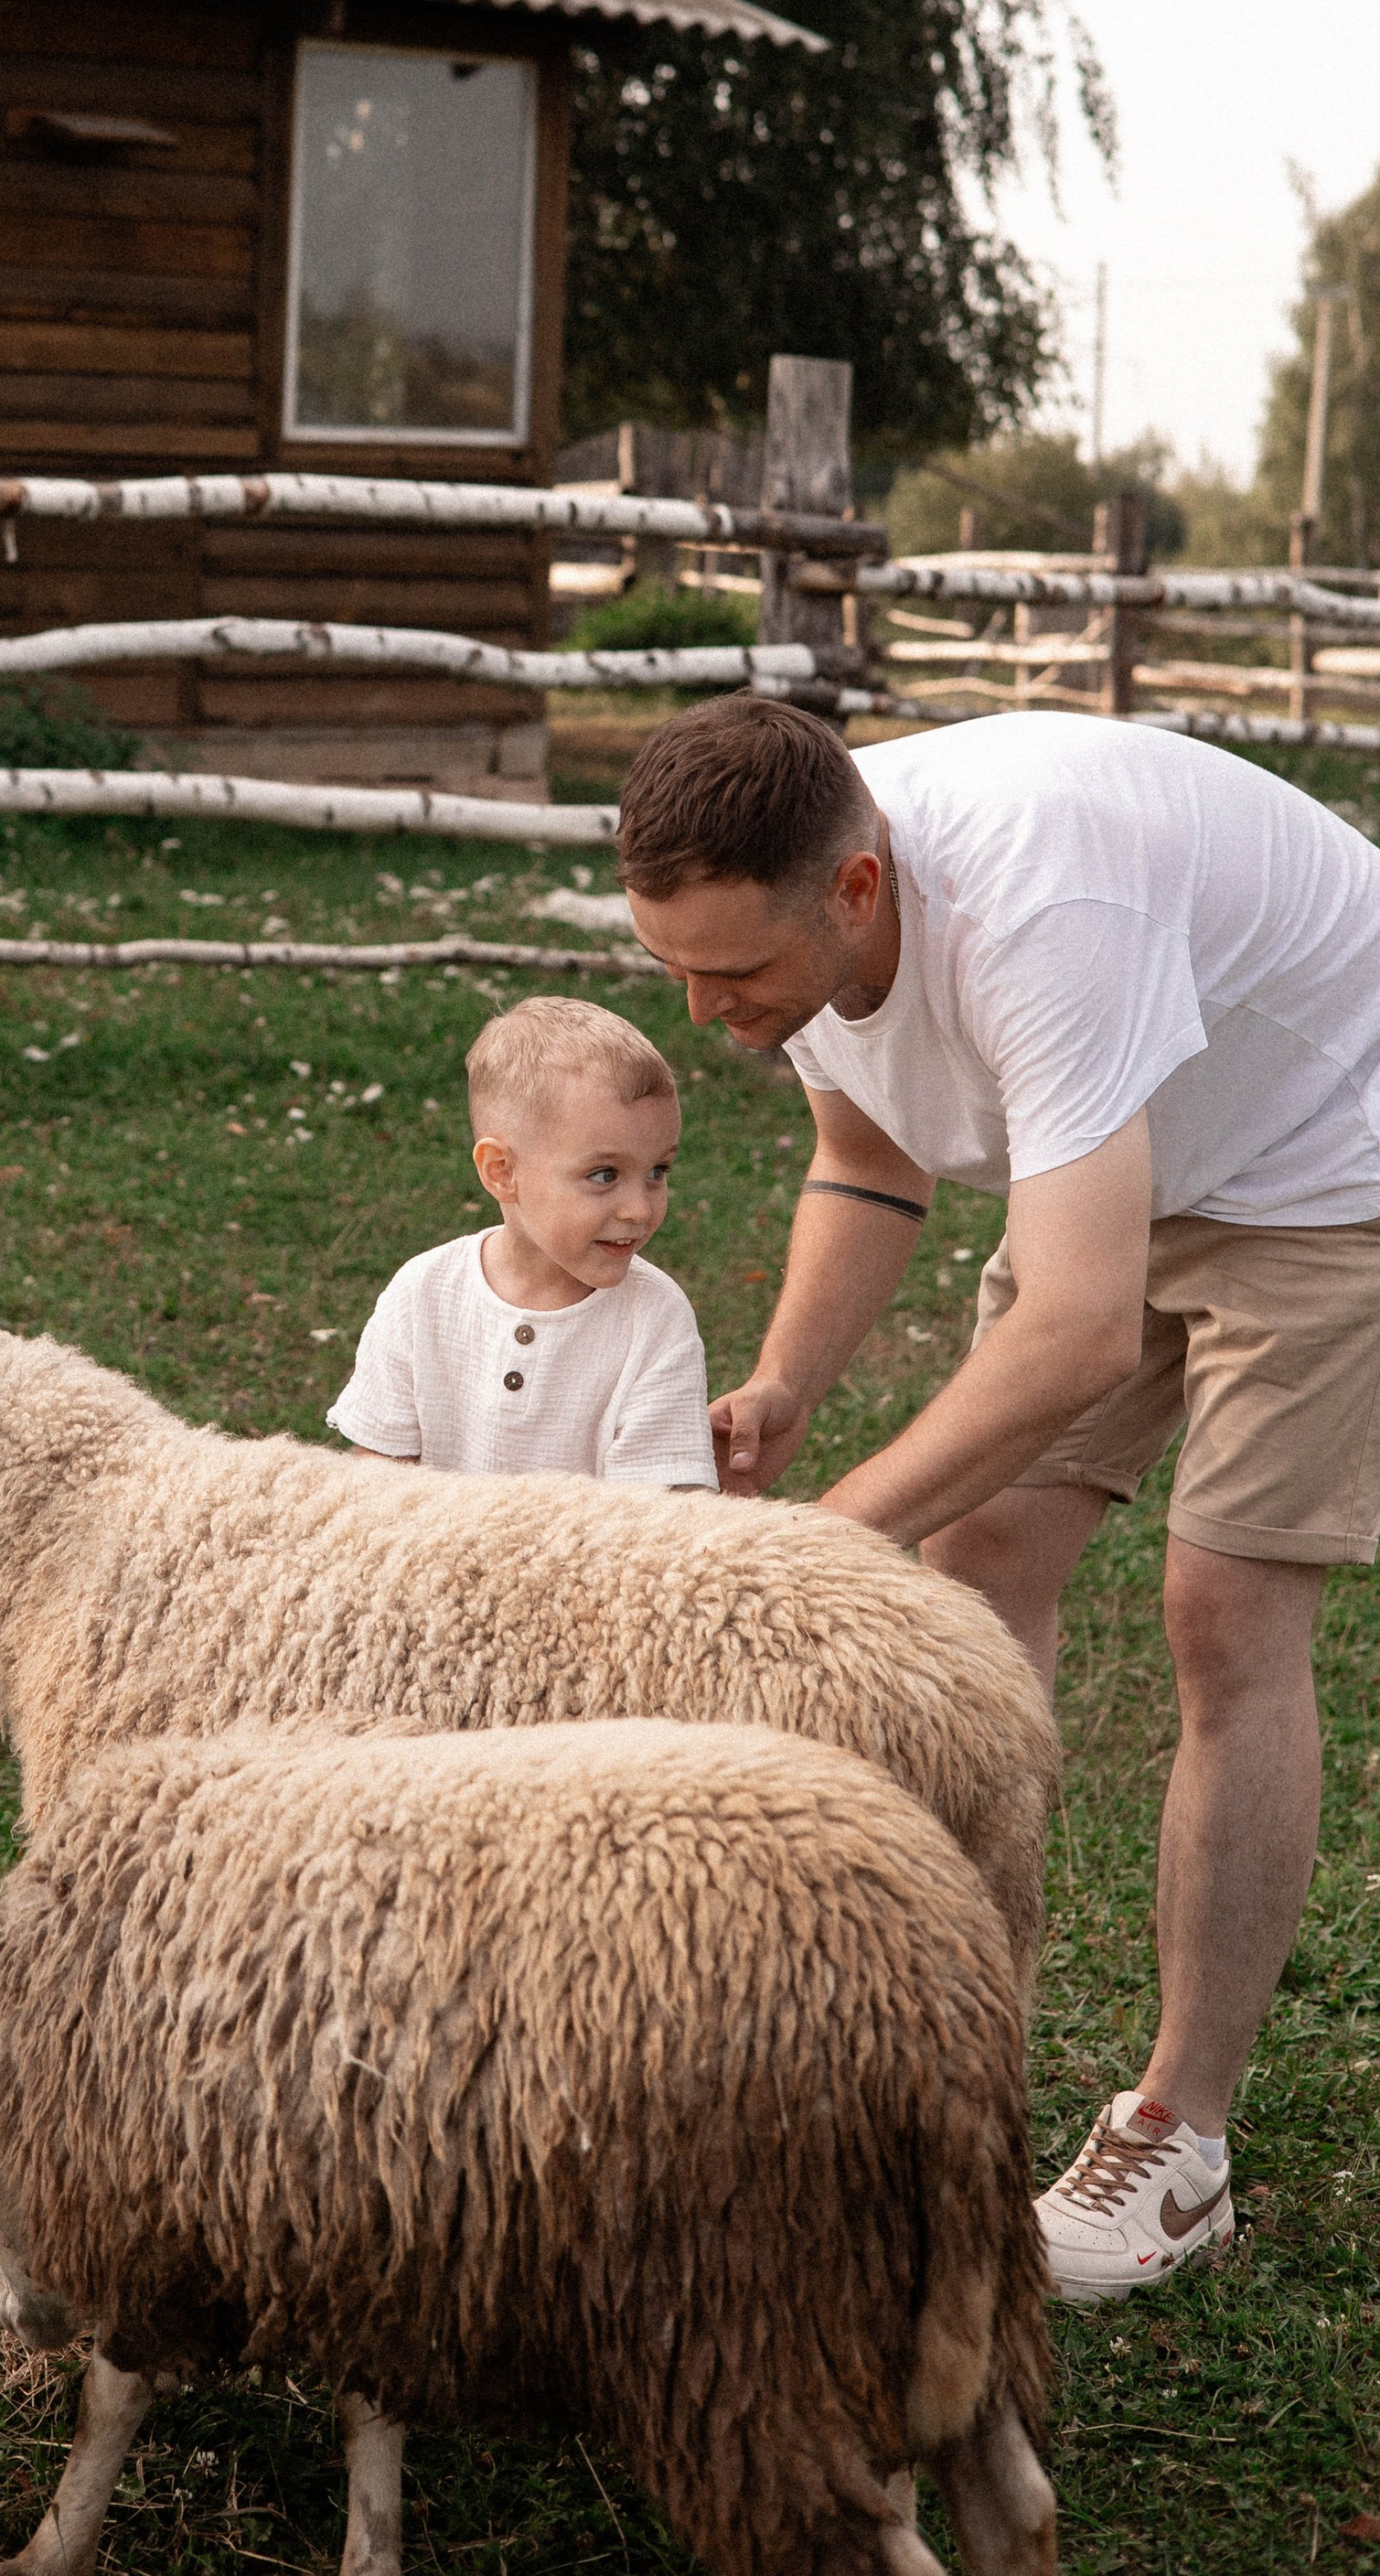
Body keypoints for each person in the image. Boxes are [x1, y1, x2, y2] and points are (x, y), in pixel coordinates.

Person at [615, 693, 1380, 2304]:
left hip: (1334, 1160)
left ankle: (1182, 2137)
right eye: (671, 967)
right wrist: (784, 1392)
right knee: (979, 1563)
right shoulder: (800, 896)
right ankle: (941, 2051)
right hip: (1136, 1149)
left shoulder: (1044, 908)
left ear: (858, 894)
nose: (704, 1012)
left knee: (1226, 1612)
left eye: (732, 974)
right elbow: (873, 1158)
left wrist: (830, 1535)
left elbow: (1079, 1324)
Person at [328, 994, 719, 1489]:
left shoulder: (655, 1318)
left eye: (657, 1171)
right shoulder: (423, 1293)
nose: (639, 1208)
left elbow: (662, 1511)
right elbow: (378, 1477)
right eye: (604, 1174)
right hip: (435, 1559)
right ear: (502, 1172)